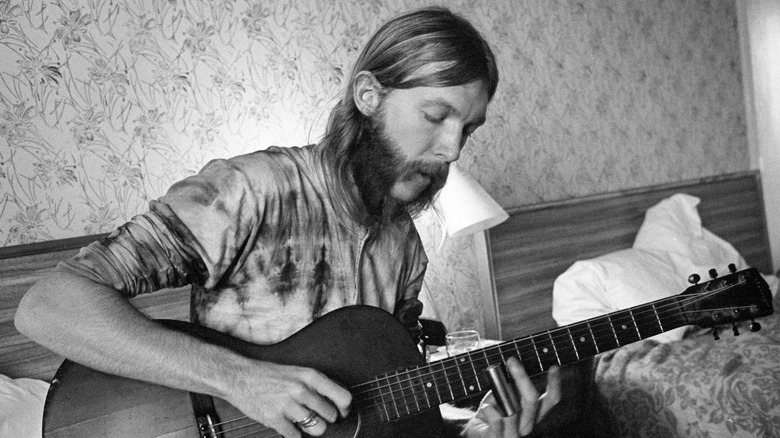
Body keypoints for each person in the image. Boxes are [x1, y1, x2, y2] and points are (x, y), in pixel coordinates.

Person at [15, 6, 560, 438]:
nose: (451, 150)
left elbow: (386, 406)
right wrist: (239, 379)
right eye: (436, 116)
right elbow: (47, 306)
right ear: (369, 96)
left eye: (468, 129)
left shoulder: (407, 246)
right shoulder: (252, 190)